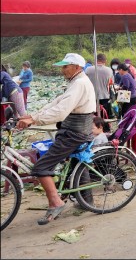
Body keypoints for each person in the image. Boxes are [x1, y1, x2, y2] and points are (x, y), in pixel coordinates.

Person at [16, 53, 96, 225]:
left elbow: (60, 111)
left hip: (75, 132)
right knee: (76, 163)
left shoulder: (80, 83)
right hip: (74, 130)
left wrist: (35, 120)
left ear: (77, 67)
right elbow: (56, 103)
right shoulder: (76, 82)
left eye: (65, 66)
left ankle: (56, 201)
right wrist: (33, 115)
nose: (62, 70)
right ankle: (87, 202)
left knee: (41, 166)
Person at [85, 53, 114, 119]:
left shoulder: (88, 69)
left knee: (93, 116)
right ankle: (105, 128)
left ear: (95, 60)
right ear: (105, 61)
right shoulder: (109, 70)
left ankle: (94, 128)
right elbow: (111, 83)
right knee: (104, 115)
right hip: (104, 96)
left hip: (91, 96)